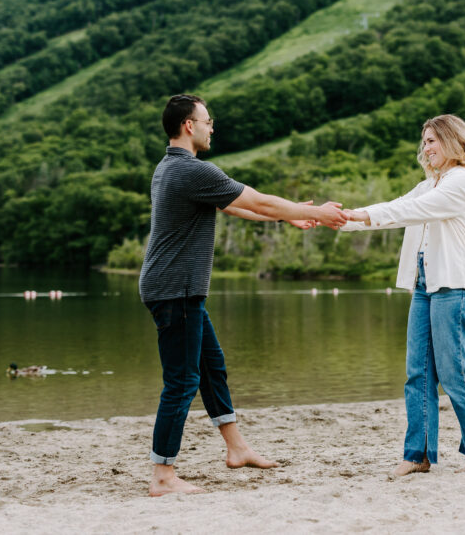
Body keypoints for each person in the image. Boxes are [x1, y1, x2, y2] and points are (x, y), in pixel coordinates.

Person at [139, 94, 346, 497]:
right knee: (181, 382)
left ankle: (237, 449)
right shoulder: (189, 170)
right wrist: (319, 213)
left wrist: (289, 214)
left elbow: (236, 207)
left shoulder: (171, 168)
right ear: (188, 126)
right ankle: (163, 476)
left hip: (176, 287)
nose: (211, 126)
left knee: (211, 368)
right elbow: (258, 200)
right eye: (207, 120)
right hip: (175, 288)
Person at [340, 114, 465, 475]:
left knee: (454, 373)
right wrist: (338, 218)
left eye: (431, 140)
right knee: (418, 373)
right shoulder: (429, 184)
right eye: (424, 141)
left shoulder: (460, 181)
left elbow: (408, 210)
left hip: (454, 286)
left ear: (451, 142)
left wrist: (358, 214)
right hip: (424, 286)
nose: (425, 148)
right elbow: (397, 212)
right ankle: (418, 455)